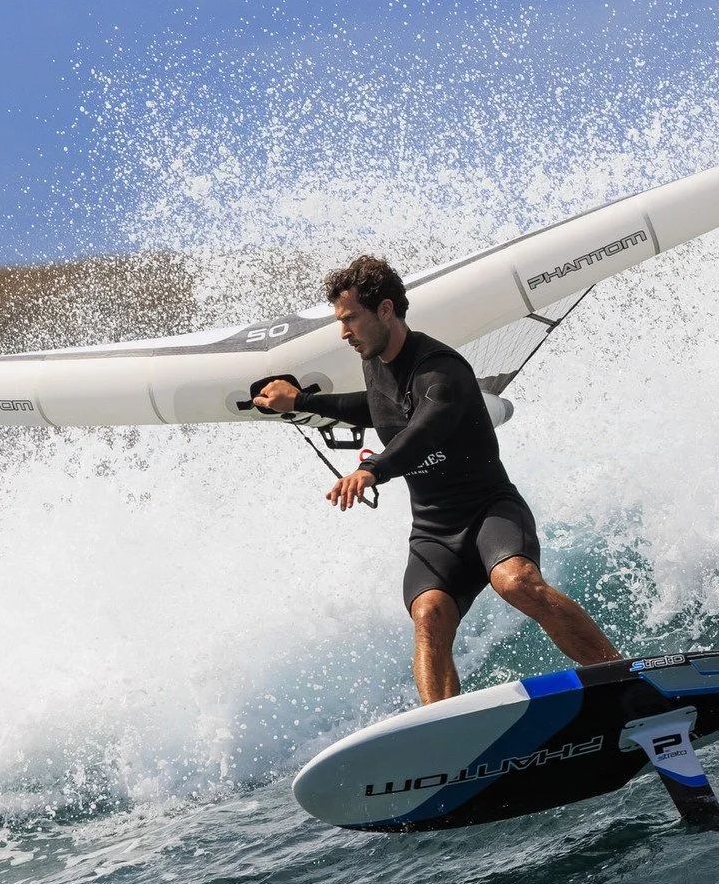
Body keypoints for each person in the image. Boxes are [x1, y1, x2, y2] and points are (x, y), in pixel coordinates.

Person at [253, 254, 622, 704]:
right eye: (340, 321)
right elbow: (376, 406)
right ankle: (442, 729)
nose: (344, 332)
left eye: (350, 319)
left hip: (489, 510)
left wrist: (371, 469)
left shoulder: (441, 371)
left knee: (517, 583)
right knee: (429, 613)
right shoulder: (375, 362)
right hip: (434, 528)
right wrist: (301, 400)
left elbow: (423, 430)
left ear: (385, 310)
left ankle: (623, 676)